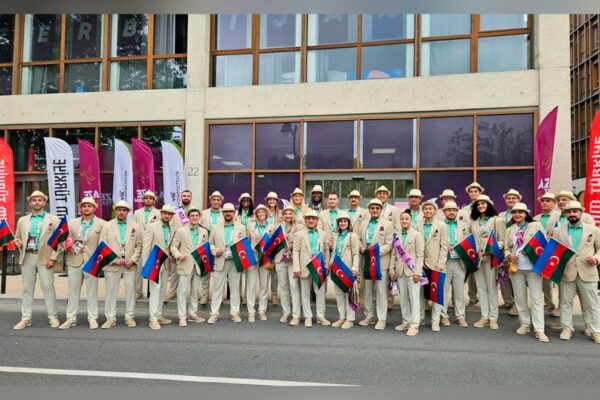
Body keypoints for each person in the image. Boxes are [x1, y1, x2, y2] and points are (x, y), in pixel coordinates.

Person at [12, 191, 61, 330]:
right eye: (34, 200)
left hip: (45, 258)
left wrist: (53, 258)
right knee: (27, 289)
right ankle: (26, 318)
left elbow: (59, 242)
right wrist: (18, 241)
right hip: (27, 256)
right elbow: (17, 237)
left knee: (48, 287)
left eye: (40, 200)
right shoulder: (23, 220)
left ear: (45, 202)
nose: (37, 202)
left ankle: (53, 317)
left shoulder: (54, 219)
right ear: (30, 203)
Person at [553, 201, 600, 344]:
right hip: (567, 272)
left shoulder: (594, 229)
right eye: (568, 212)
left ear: (581, 212)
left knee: (592, 304)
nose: (572, 214)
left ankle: (596, 330)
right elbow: (554, 252)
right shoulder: (558, 231)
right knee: (565, 303)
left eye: (575, 211)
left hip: (588, 271)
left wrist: (597, 259)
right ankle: (567, 328)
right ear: (565, 214)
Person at [503, 202, 549, 343]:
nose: (517, 214)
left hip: (533, 268)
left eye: (520, 212)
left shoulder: (535, 226)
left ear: (526, 214)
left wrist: (532, 251)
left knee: (536, 299)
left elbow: (544, 243)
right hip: (516, 268)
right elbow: (506, 248)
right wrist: (508, 255)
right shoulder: (509, 229)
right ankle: (524, 324)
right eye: (515, 212)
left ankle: (539, 330)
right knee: (520, 298)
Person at [58, 197, 107, 330]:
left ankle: (92, 318)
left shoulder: (102, 224)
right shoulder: (71, 223)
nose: (86, 208)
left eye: (89, 206)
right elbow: (62, 239)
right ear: (81, 208)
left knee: (92, 292)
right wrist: (67, 245)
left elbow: (104, 243)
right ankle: (70, 318)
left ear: (94, 208)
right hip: (74, 260)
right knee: (73, 292)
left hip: (92, 261)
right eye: (84, 206)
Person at [99, 200, 143, 329]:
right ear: (115, 211)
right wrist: (115, 260)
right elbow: (103, 245)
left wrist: (133, 260)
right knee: (111, 291)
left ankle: (130, 316)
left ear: (128, 212)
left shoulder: (135, 226)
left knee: (130, 291)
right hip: (113, 264)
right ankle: (110, 318)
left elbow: (139, 245)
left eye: (124, 210)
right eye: (119, 209)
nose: (121, 212)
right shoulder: (107, 226)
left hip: (130, 264)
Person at [469, 194, 505, 330]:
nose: (480, 206)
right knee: (481, 288)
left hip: (490, 258)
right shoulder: (473, 220)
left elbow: (502, 240)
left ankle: (493, 318)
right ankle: (484, 316)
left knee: (491, 288)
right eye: (478, 204)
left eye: (483, 203)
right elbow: (469, 238)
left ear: (489, 205)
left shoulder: (497, 220)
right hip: (476, 259)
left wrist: (491, 249)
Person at [170, 206, 210, 327]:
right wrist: (178, 255)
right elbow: (173, 246)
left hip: (198, 266)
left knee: (195, 291)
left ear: (199, 217)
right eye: (192, 216)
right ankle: (182, 316)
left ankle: (192, 314)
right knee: (182, 292)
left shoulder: (204, 231)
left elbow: (205, 248)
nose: (194, 217)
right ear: (188, 217)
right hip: (184, 264)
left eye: (196, 216)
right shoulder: (181, 231)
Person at [357, 198, 393, 330]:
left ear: (381, 210)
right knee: (367, 290)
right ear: (369, 209)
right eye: (372, 208)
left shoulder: (387, 224)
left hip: (380, 262)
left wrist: (376, 252)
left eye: (377, 208)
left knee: (381, 291)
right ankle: (369, 315)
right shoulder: (363, 223)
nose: (375, 210)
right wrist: (361, 248)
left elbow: (390, 244)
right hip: (366, 261)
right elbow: (359, 239)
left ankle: (382, 318)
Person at [207, 203, 246, 324]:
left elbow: (244, 244)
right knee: (217, 289)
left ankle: (235, 313)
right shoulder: (215, 227)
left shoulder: (241, 227)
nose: (228, 213)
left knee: (235, 289)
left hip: (235, 262)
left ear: (234, 213)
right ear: (222, 213)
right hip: (220, 260)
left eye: (230, 211)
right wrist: (215, 251)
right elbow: (210, 243)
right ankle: (214, 313)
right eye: (226, 212)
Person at [292, 209, 331, 327]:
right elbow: (295, 251)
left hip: (319, 267)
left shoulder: (323, 233)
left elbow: (326, 250)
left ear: (317, 220)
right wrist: (296, 268)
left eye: (313, 218)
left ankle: (320, 316)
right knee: (305, 293)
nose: (311, 220)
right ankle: (308, 316)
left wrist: (326, 264)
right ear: (305, 220)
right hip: (304, 267)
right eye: (308, 218)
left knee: (320, 292)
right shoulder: (299, 234)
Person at [389, 210, 424, 337]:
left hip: (412, 271)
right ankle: (406, 321)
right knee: (403, 298)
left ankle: (415, 324)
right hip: (400, 271)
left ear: (411, 220)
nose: (404, 220)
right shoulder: (396, 235)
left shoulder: (417, 235)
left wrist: (418, 272)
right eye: (402, 218)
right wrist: (392, 269)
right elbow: (393, 253)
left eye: (407, 219)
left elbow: (420, 255)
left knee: (414, 299)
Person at [143, 204, 177, 330]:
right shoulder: (152, 227)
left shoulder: (172, 228)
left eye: (169, 214)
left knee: (162, 290)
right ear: (161, 214)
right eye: (165, 213)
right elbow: (146, 246)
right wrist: (146, 264)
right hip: (154, 262)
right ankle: (152, 319)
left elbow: (170, 245)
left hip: (166, 262)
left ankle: (158, 314)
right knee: (155, 291)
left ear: (172, 216)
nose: (167, 216)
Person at [416, 199, 448, 332]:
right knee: (421, 294)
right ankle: (420, 318)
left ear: (435, 211)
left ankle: (435, 321)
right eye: (426, 208)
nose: (428, 210)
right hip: (420, 265)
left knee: (436, 295)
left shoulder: (441, 226)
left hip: (436, 265)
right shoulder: (417, 225)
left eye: (431, 208)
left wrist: (440, 264)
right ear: (422, 211)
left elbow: (444, 247)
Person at [440, 201, 470, 327]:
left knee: (459, 290)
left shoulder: (464, 225)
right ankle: (443, 316)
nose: (451, 212)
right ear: (444, 212)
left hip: (459, 261)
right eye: (448, 210)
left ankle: (460, 316)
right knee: (444, 290)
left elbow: (469, 241)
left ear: (457, 212)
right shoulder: (439, 225)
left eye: (454, 210)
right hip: (445, 261)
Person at [329, 211, 360, 329]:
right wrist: (331, 261)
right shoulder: (336, 235)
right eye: (340, 221)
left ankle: (350, 319)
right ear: (338, 223)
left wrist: (355, 268)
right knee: (339, 294)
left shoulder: (353, 236)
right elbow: (334, 251)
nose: (342, 223)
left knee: (348, 294)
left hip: (348, 268)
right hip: (336, 268)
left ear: (348, 223)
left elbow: (356, 254)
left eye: (345, 221)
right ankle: (342, 317)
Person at [274, 205, 304, 325]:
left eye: (290, 213)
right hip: (280, 259)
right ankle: (286, 313)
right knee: (284, 287)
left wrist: (290, 239)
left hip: (293, 261)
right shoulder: (278, 226)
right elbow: (272, 238)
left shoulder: (300, 227)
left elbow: (300, 239)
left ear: (293, 215)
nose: (287, 216)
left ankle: (296, 315)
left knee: (294, 287)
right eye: (285, 214)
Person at [533, 192, 561, 314]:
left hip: (554, 251)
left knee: (559, 280)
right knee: (544, 279)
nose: (545, 202)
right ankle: (549, 303)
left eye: (548, 200)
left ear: (554, 203)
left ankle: (561, 307)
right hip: (540, 252)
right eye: (543, 200)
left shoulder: (560, 216)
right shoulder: (536, 218)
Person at [246, 204, 275, 322]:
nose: (261, 214)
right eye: (259, 212)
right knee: (251, 286)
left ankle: (262, 310)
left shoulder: (272, 227)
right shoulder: (250, 226)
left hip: (266, 259)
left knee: (264, 285)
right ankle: (251, 311)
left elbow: (274, 243)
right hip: (253, 258)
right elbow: (245, 243)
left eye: (263, 212)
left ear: (266, 214)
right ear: (256, 214)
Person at [498, 189, 523, 315]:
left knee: (515, 276)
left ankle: (517, 304)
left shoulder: (522, 215)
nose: (511, 200)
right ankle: (508, 300)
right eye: (509, 198)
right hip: (503, 248)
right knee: (503, 276)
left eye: (514, 198)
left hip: (516, 250)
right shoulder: (501, 215)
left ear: (519, 199)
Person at [166, 190, 194, 301]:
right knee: (174, 269)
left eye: (188, 196)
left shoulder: (195, 210)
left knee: (192, 269)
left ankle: (192, 293)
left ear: (191, 198)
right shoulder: (175, 211)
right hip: (177, 242)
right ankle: (172, 292)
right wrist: (171, 251)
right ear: (180, 197)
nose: (186, 197)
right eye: (184, 196)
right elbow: (171, 228)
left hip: (190, 243)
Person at [196, 190, 223, 305]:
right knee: (206, 270)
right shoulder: (203, 213)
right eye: (214, 199)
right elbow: (198, 227)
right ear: (210, 200)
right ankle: (204, 294)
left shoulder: (225, 212)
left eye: (218, 200)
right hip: (206, 244)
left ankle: (219, 296)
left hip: (220, 246)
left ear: (221, 201)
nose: (216, 202)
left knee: (220, 271)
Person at [132, 190, 160, 299]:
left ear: (154, 200)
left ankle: (151, 292)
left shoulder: (158, 213)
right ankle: (138, 291)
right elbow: (134, 227)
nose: (148, 200)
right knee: (138, 267)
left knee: (152, 267)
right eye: (146, 198)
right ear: (143, 199)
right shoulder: (137, 212)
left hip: (153, 243)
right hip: (140, 243)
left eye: (151, 198)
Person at [462, 182, 484, 308]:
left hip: (482, 245)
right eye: (471, 191)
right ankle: (473, 298)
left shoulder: (486, 206)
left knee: (483, 273)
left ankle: (484, 298)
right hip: (469, 244)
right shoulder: (464, 210)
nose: (473, 193)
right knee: (471, 273)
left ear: (480, 192)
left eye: (476, 191)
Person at [264, 191, 281, 304]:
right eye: (270, 199)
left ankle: (274, 295)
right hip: (265, 243)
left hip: (277, 244)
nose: (272, 201)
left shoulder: (281, 213)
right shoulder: (263, 212)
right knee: (266, 269)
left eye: (274, 199)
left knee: (275, 271)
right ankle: (265, 296)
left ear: (277, 201)